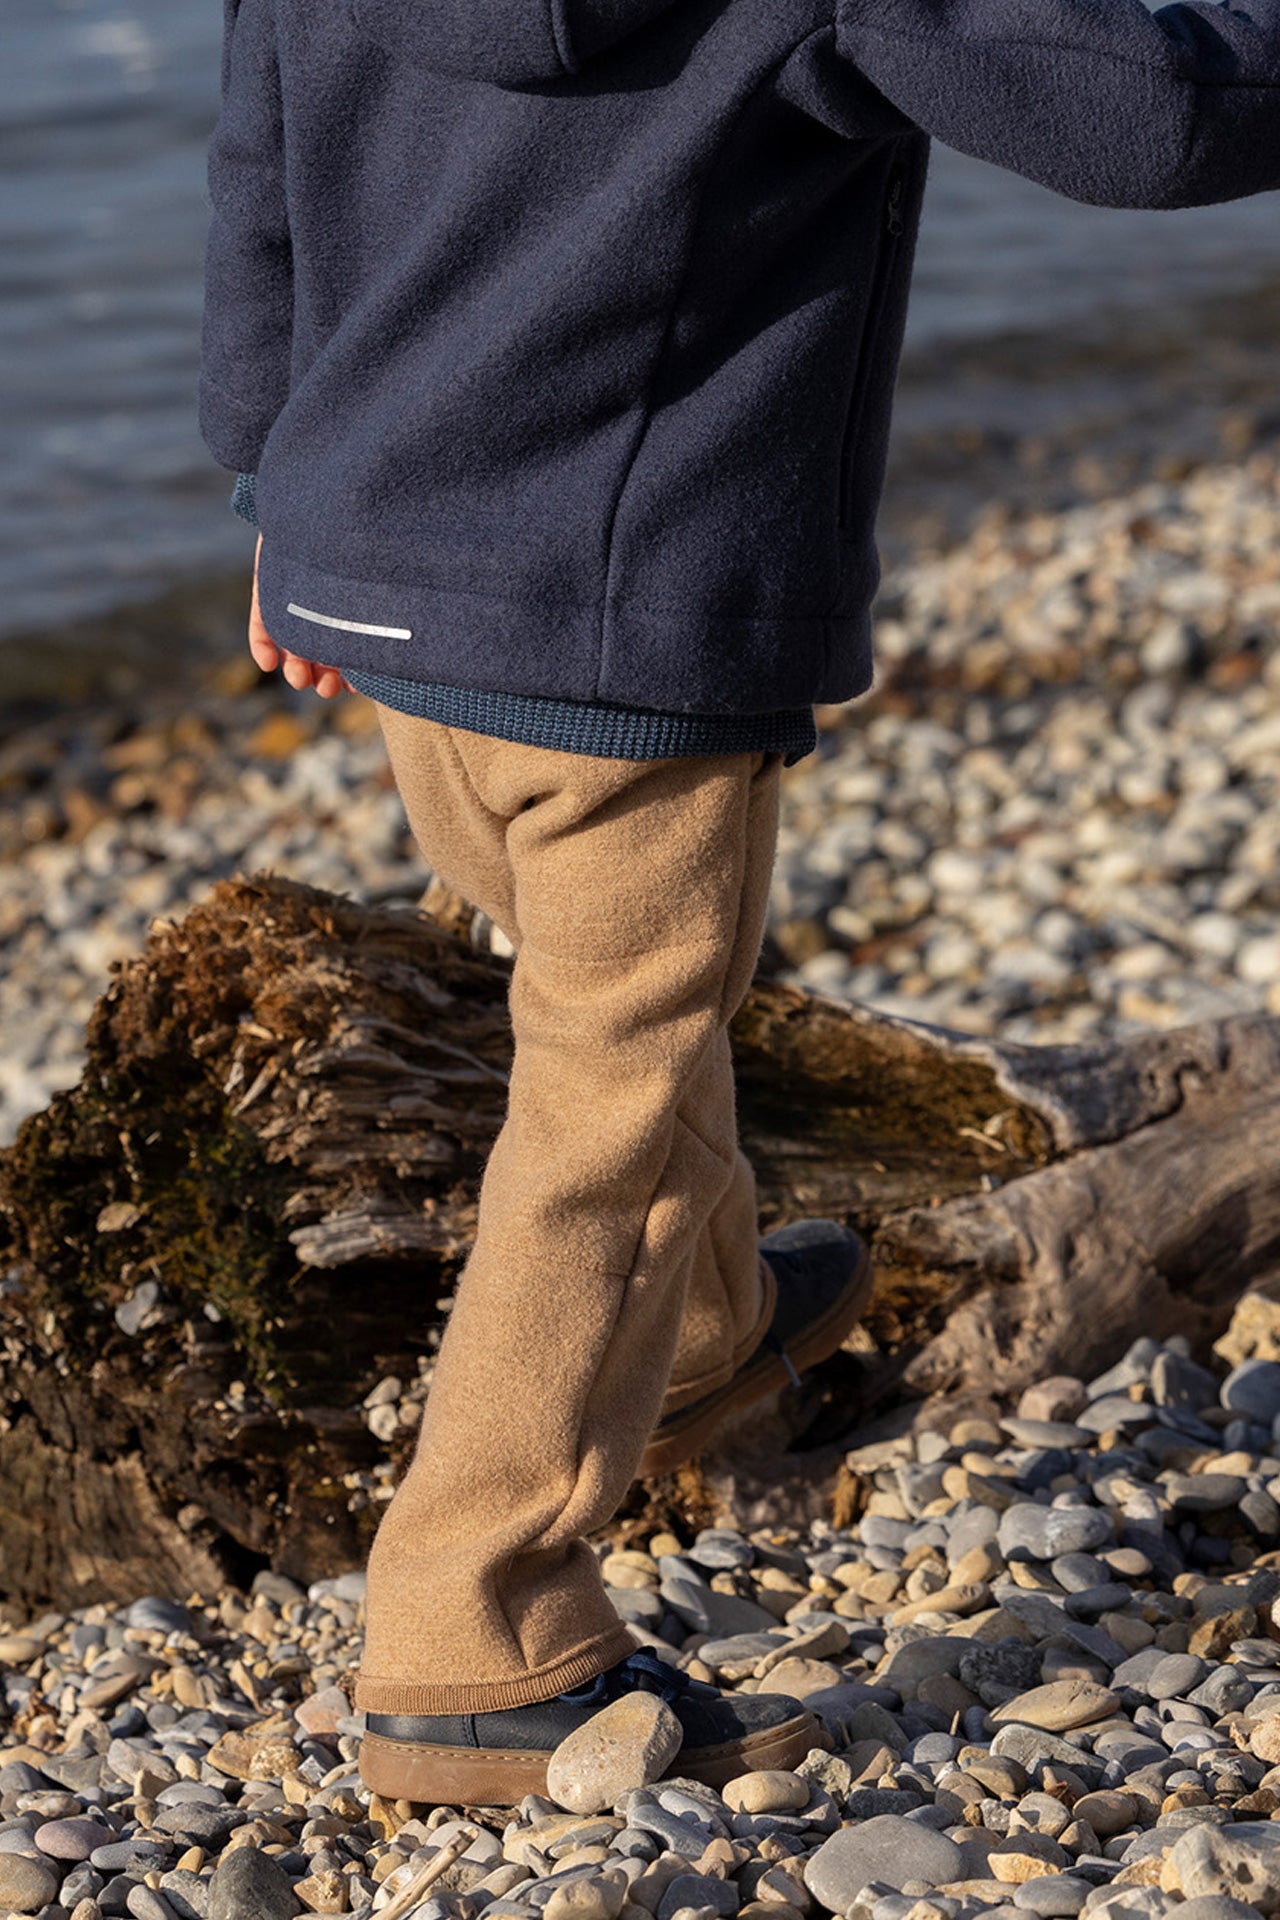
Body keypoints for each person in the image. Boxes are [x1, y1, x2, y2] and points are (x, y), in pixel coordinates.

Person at [201, 0, 1280, 1806]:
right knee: (602, 1117)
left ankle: (702, 1326)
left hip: (378, 595)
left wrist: (275, 496)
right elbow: (1145, 109)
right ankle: (473, 1630)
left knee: (611, 1016)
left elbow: (261, 186)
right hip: (623, 644)